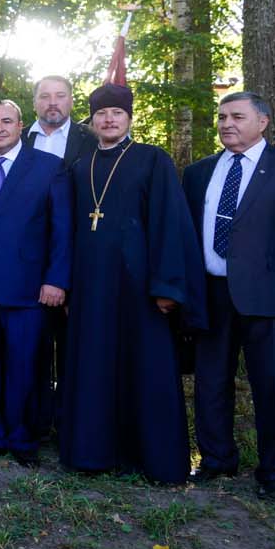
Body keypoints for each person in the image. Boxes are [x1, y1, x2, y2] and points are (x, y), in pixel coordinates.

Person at [183, 91, 275, 500]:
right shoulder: (198, 173)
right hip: (211, 294)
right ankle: (215, 460)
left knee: (274, 387)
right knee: (210, 383)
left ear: (262, 122)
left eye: (238, 116)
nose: (227, 123)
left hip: (273, 299)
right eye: (222, 116)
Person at [57, 85, 205, 484]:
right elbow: (66, 232)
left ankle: (153, 459)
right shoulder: (79, 166)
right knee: (93, 367)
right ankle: (93, 453)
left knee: (148, 369)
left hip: (141, 290)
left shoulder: (152, 160)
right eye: (101, 114)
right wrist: (67, 285)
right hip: (90, 289)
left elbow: (170, 224)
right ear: (91, 120)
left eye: (116, 114)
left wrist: (168, 286)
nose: (108, 120)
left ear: (129, 118)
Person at [0, 100, 71, 467]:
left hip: (29, 288)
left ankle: (23, 439)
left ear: (21, 125)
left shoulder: (49, 166)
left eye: (7, 121)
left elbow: (62, 231)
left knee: (24, 365)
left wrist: (56, 280)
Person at [25, 75, 92, 438]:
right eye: (45, 96)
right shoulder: (16, 140)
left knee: (72, 350)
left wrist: (64, 275)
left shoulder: (92, 142)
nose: (53, 103)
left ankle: (70, 428)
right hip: (24, 267)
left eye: (60, 96)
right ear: (34, 102)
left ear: (71, 101)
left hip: (76, 263)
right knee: (30, 350)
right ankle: (34, 424)